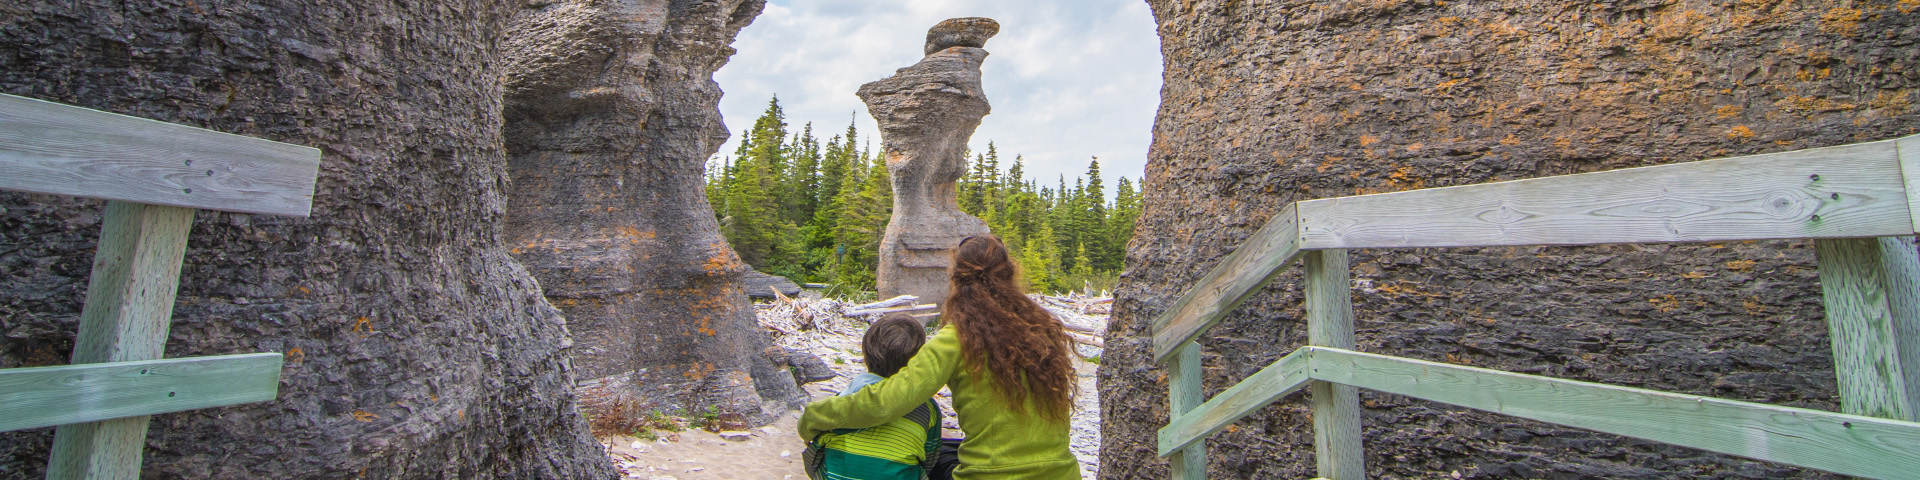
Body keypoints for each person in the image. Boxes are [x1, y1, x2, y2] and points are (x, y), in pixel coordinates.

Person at [800, 235, 1081, 479]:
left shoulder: (958, 337)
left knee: (928, 455)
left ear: (958, 279)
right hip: (1063, 472)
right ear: (1009, 275)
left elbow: (886, 402)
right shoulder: (1043, 329)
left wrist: (815, 415)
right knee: (948, 446)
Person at [802, 313, 942, 480]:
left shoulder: (848, 395)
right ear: (917, 360)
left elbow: (811, 423)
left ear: (866, 355)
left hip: (835, 473)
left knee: (819, 443)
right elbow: (930, 460)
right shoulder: (927, 406)